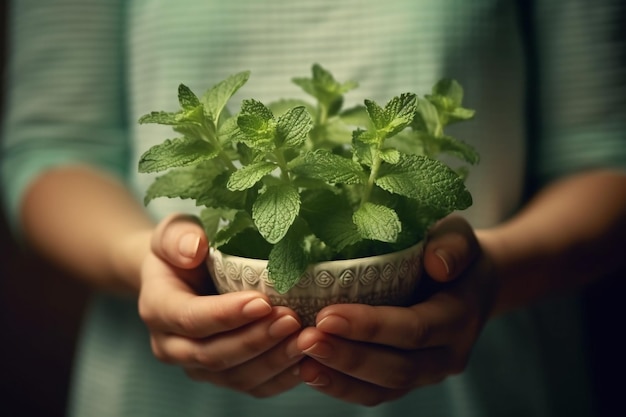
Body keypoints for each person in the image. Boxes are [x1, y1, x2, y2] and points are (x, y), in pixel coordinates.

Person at [2, 0, 625, 416]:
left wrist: (492, 274)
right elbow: (54, 146)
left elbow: (605, 155)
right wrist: (142, 260)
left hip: (488, 387)